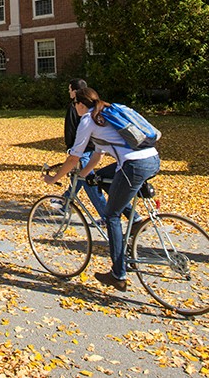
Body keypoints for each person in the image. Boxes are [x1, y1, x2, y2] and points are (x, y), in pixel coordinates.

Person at [44, 87, 160, 292]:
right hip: (152, 159)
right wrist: (82, 176)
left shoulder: (88, 120)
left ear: (80, 104)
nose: (75, 108)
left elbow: (73, 158)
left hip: (133, 165)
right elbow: (97, 156)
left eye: (75, 105)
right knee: (98, 179)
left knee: (111, 215)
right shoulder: (106, 112)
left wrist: (54, 178)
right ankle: (135, 223)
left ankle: (118, 274)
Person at [63, 78, 108, 225]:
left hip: (84, 150)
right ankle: (65, 202)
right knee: (80, 178)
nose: (69, 92)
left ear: (75, 91)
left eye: (70, 89)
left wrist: (70, 147)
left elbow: (71, 129)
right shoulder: (93, 107)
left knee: (90, 183)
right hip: (92, 149)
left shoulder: (76, 108)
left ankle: (107, 216)